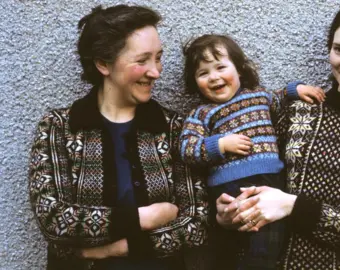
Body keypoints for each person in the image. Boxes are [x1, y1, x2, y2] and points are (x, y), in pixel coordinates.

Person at [215, 0, 340, 269]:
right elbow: (250, 172)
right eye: (338, 49)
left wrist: (294, 207)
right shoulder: (297, 111)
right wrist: (227, 213)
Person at [28, 5, 208, 270]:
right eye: (142, 60)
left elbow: (196, 223)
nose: (156, 71)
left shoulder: (175, 128)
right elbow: (53, 219)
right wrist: (144, 217)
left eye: (158, 57)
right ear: (103, 63)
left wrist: (114, 249)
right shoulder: (59, 127)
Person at [179, 34, 324, 269]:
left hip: (270, 183)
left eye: (220, 67)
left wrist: (295, 89)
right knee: (228, 248)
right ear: (194, 81)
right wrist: (220, 145)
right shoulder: (201, 113)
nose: (214, 77)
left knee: (266, 247)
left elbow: (279, 98)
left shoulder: (258, 95)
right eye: (203, 73)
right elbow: (187, 148)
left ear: (240, 70)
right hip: (229, 190)